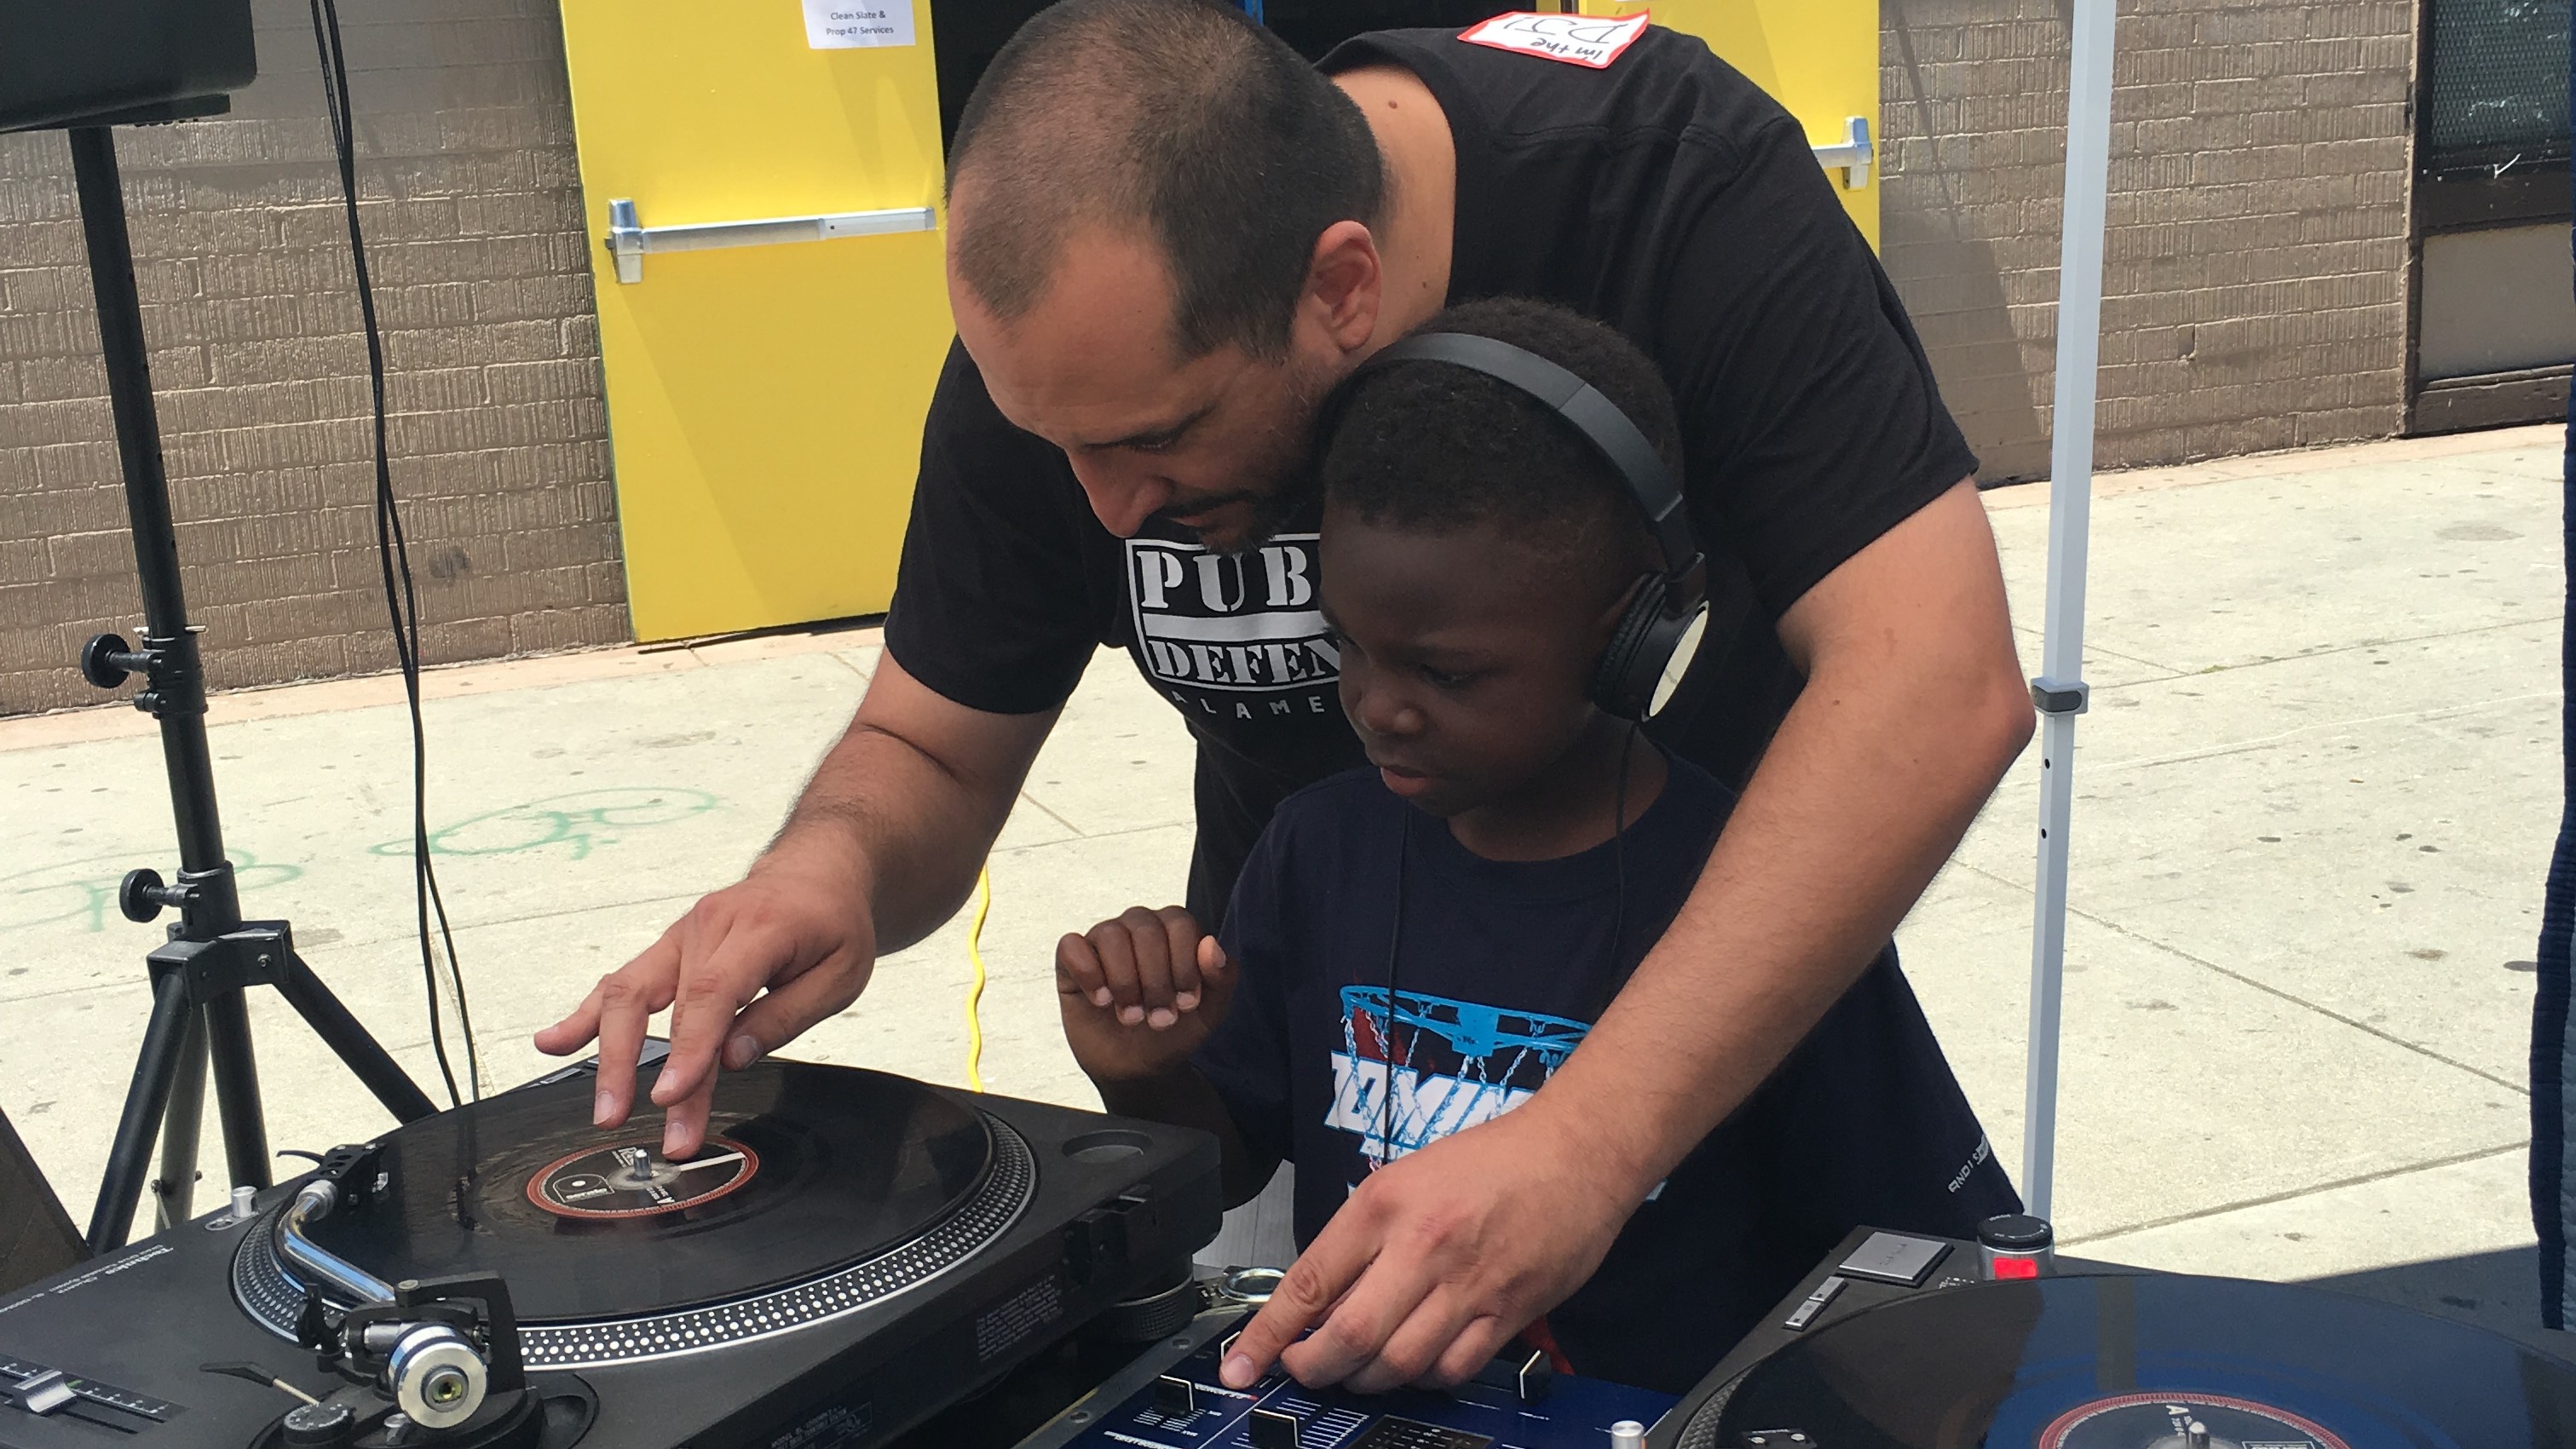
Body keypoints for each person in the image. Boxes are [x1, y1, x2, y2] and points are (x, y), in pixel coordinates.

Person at [537, 0, 2033, 1394]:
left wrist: (1581, 1141)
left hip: (1699, 1102)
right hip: (1322, 1096)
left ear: (1342, 287)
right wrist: (826, 872)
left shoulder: (1664, 183)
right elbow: (929, 737)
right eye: (1053, 441)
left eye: (1158, 437)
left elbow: (1935, 676)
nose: (1106, 507)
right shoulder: (1077, 364)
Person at [1056, 297, 2016, 1392]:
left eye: (1447, 673)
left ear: (1627, 641)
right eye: (1350, 646)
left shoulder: (1753, 903)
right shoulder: (1314, 848)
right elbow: (1230, 1167)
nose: (1377, 706)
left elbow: (1923, 1254)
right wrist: (1147, 1075)